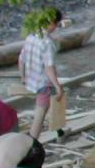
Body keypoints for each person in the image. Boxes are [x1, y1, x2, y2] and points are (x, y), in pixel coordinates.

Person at [18, 10, 63, 140]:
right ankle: (33, 142)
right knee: (41, 112)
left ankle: (59, 131)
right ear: (52, 23)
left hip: (31, 80)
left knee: (50, 105)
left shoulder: (31, 36)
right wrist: (57, 86)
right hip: (43, 83)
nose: (56, 27)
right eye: (56, 24)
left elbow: (21, 59)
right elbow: (49, 67)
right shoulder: (47, 43)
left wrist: (23, 76)